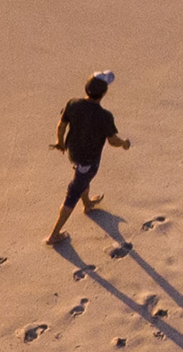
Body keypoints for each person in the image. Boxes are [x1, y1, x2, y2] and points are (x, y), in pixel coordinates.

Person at [47, 71, 132, 245]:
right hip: (89, 160)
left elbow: (61, 126)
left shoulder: (73, 104)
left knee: (82, 178)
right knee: (73, 192)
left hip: (73, 153)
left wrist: (60, 142)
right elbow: (113, 141)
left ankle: (87, 204)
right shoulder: (104, 116)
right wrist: (124, 144)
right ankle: (54, 235)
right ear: (104, 93)